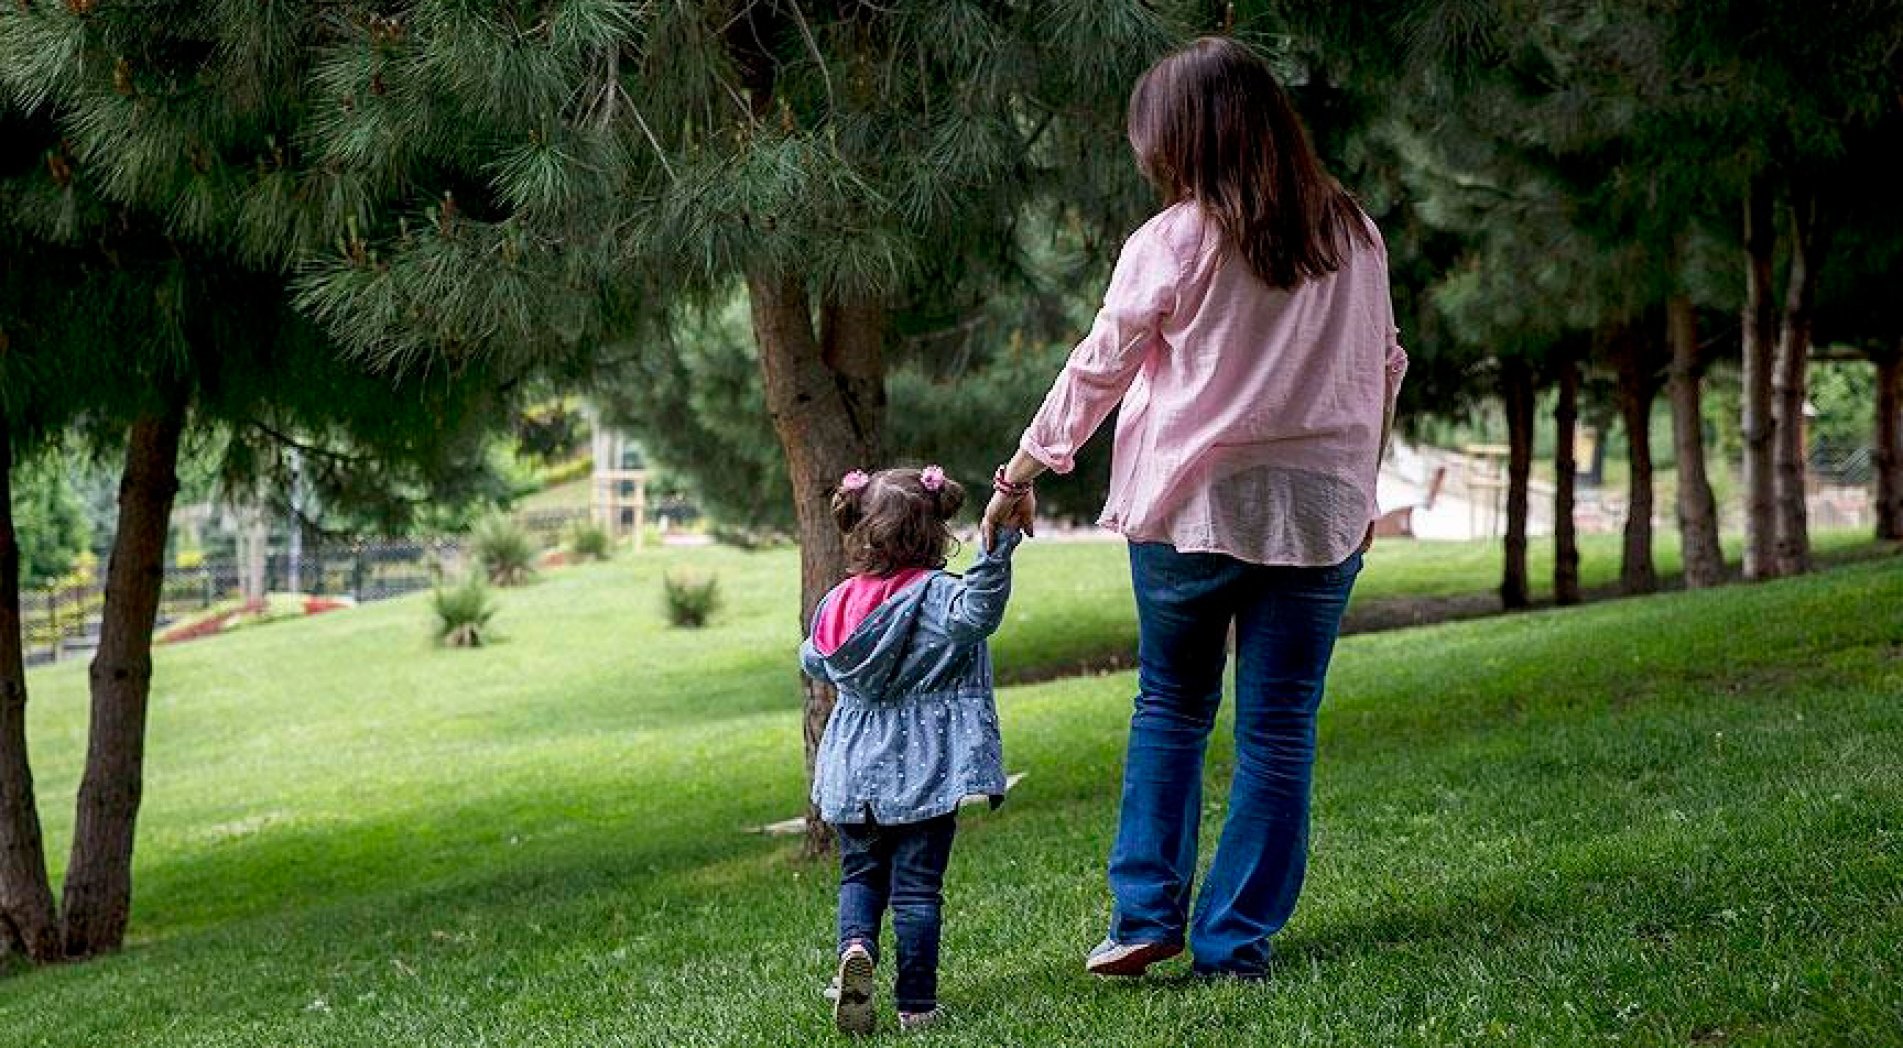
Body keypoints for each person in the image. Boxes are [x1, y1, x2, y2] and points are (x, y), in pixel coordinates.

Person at [981, 37, 1407, 981]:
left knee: (1171, 706)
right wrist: (1358, 483)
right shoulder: (1357, 233)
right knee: (1279, 726)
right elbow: (1383, 368)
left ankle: (1143, 918)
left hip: (1191, 510)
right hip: (1318, 514)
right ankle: (1233, 942)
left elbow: (1102, 363)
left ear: (1181, 139)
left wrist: (1024, 469)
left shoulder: (1174, 238)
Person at [803, 465, 1019, 1033]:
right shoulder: (940, 596)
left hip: (851, 769)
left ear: (862, 530)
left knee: (860, 876)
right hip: (924, 770)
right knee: (919, 890)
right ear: (934, 531)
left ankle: (856, 949)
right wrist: (996, 552)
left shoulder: (838, 602)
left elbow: (813, 658)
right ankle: (916, 1006)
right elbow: (980, 614)